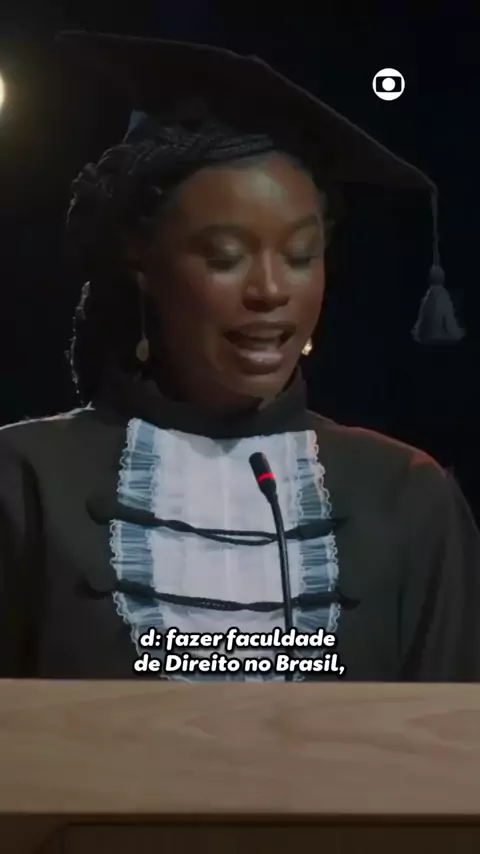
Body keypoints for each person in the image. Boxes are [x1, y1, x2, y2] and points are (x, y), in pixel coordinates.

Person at [0, 31, 478, 682]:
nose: (271, 290)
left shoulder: (406, 497)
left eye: (301, 256)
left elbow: (451, 735)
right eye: (225, 256)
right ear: (141, 261)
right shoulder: (26, 483)